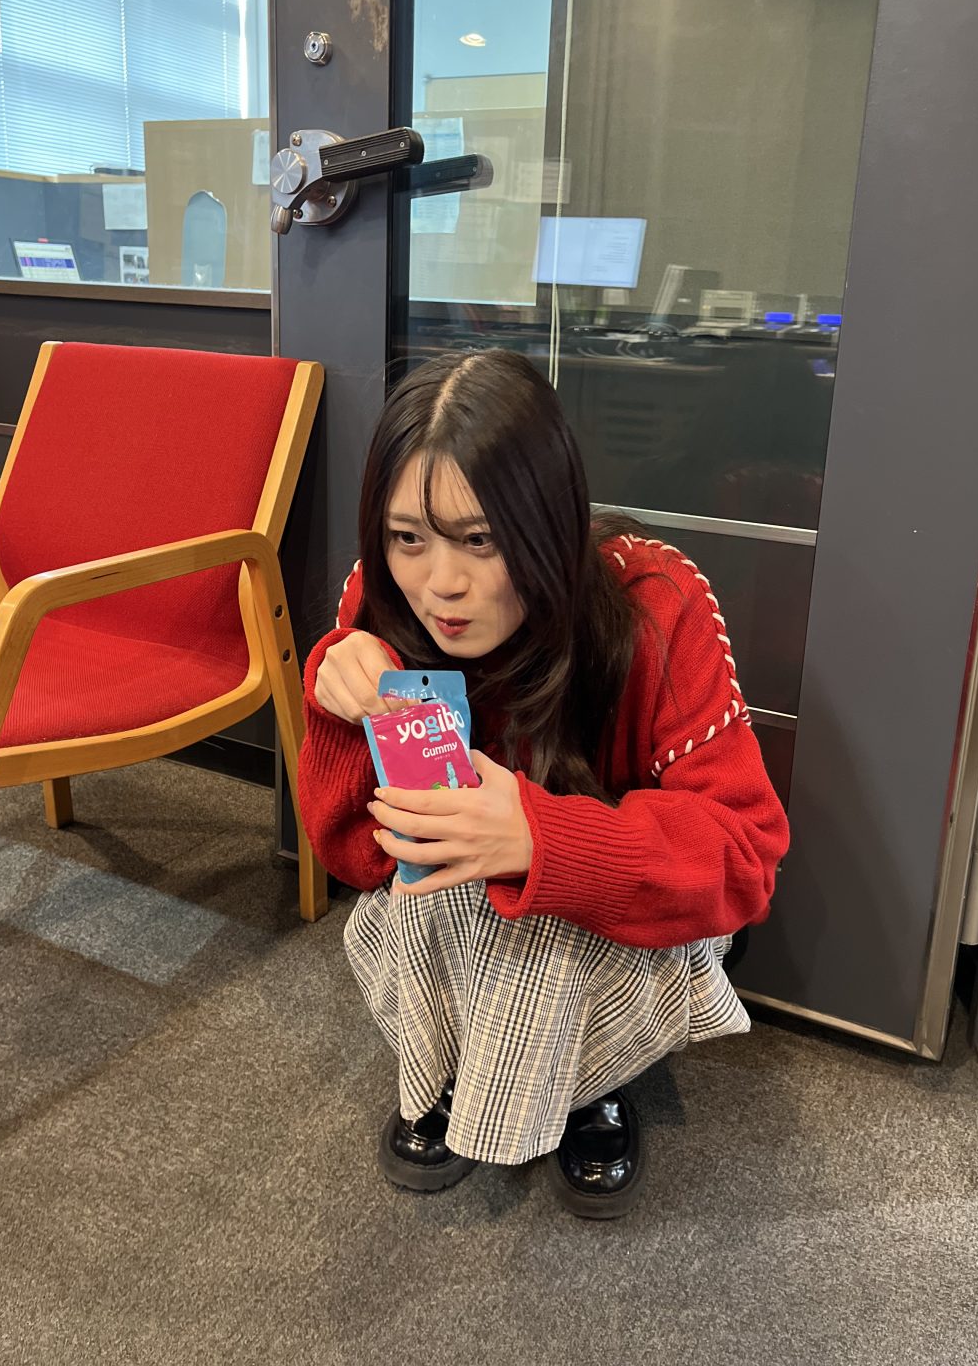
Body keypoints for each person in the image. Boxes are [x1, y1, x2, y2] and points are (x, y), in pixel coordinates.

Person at [297, 349, 789, 1219]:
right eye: (408, 538)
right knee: (427, 892)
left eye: (481, 540)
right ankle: (453, 1072)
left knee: (552, 926)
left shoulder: (655, 605)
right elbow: (355, 860)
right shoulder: (380, 606)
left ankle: (588, 1084)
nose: (441, 584)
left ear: (548, 523)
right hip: (460, 902)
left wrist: (543, 838)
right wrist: (338, 707)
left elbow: (745, 857)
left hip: (620, 910)